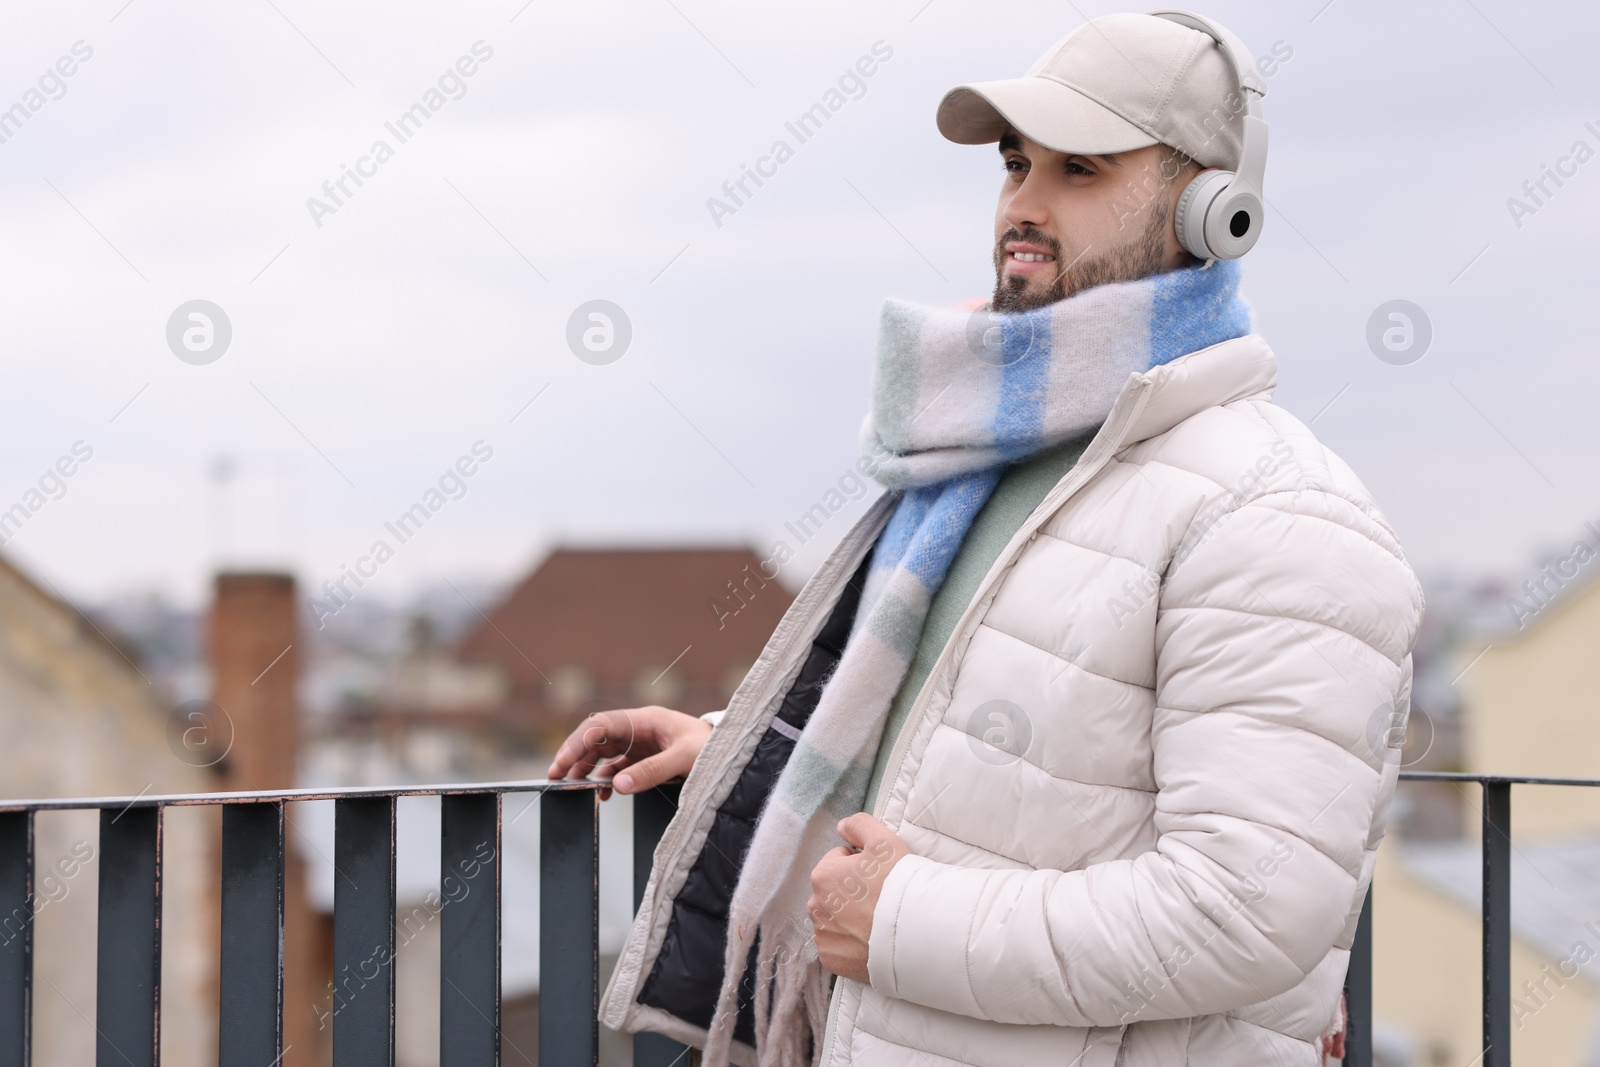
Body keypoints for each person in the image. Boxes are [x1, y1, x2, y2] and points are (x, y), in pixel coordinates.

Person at [549, 10, 1423, 1066]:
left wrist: (902, 921)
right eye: (1015, 164)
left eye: (1080, 170)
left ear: (1212, 213)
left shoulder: (1276, 511)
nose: (1023, 203)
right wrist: (747, 749)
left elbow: (1243, 911)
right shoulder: (997, 457)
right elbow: (990, 716)